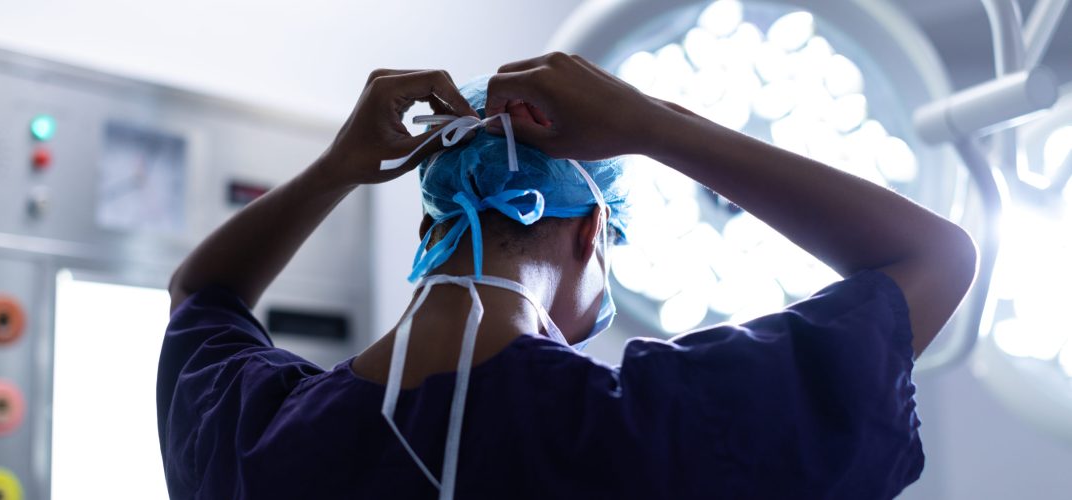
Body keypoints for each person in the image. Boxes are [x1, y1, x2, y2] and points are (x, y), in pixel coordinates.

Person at [157, 53, 977, 499]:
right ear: (594, 233)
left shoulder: (253, 436)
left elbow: (202, 292)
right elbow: (937, 257)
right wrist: (658, 126)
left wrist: (337, 169)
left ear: (426, 228)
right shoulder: (668, 428)